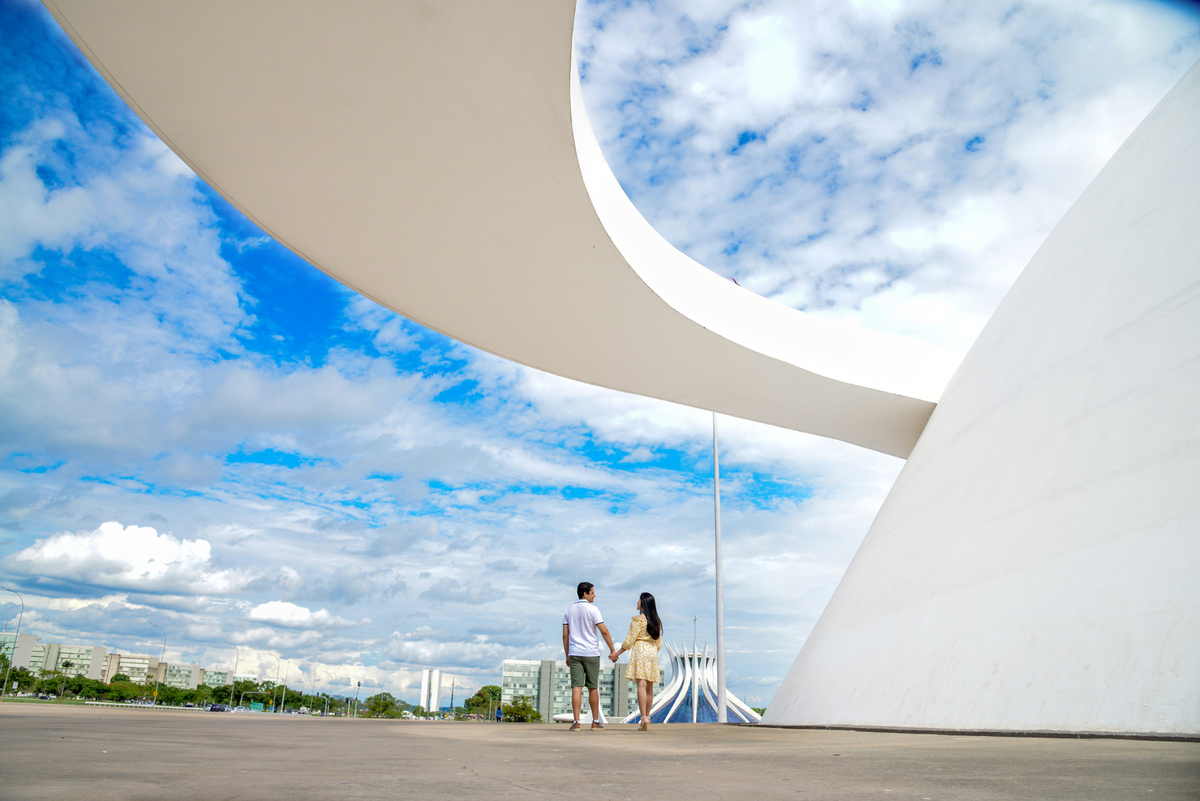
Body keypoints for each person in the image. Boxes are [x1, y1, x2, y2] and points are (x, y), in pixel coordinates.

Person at [563, 581, 617, 730]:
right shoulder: (593, 610)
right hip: (591, 653)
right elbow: (604, 631)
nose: (595, 595)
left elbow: (565, 635)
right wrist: (612, 650)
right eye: (593, 592)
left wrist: (567, 655)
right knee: (593, 687)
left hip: (574, 652)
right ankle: (594, 721)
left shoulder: (569, 610)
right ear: (585, 594)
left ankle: (576, 722)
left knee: (576, 687)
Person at [609, 591, 663, 731]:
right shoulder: (657, 621)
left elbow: (629, 641)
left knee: (641, 686)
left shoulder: (637, 620)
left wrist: (617, 654)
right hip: (652, 652)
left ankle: (643, 717)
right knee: (650, 688)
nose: (637, 602)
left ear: (643, 603)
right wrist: (651, 650)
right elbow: (659, 643)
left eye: (639, 600)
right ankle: (648, 717)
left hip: (640, 650)